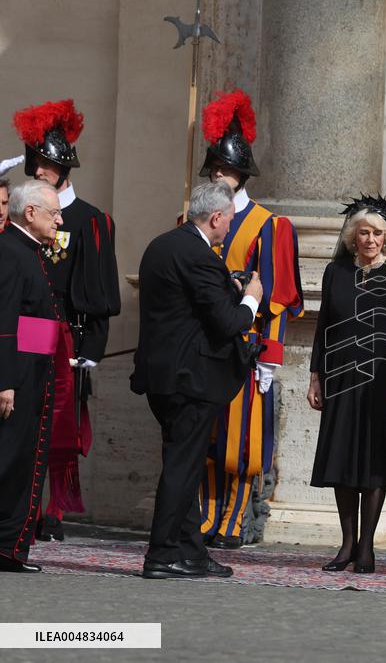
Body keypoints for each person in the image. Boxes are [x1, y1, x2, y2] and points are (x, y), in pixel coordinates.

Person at [131, 181, 263, 580]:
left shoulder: (162, 245)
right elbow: (227, 322)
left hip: (162, 376)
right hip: (189, 379)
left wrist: (227, 289)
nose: (230, 228)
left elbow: (188, 308)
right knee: (181, 467)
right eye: (229, 221)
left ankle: (191, 552)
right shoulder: (199, 255)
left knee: (183, 464)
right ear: (216, 217)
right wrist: (251, 298)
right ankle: (161, 554)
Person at [195, 90, 304, 549]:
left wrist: (270, 357)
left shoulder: (268, 225)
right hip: (203, 345)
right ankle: (205, 516)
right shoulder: (195, 219)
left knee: (242, 442)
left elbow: (275, 297)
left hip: (245, 346)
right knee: (205, 435)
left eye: (226, 169)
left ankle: (235, 518)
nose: (219, 175)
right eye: (215, 168)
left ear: (241, 173)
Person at [12, 99, 121, 542]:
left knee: (61, 423)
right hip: (28, 325)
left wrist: (92, 346)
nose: (40, 171)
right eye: (37, 163)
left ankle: (53, 510)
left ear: (65, 168)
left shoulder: (90, 220)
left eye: (49, 165)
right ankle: (22, 504)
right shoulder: (22, 211)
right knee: (25, 415)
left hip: (65, 331)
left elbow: (98, 289)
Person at [306, 195, 386, 574]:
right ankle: (347, 545)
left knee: (374, 462)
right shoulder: (335, 272)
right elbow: (323, 327)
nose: (370, 239)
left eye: (377, 233)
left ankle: (367, 546)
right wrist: (315, 376)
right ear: (353, 237)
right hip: (339, 377)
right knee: (342, 460)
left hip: (382, 382)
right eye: (364, 233)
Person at [0, 181, 63, 573]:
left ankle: (9, 548)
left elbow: (34, 318)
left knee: (22, 462)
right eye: (54, 213)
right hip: (17, 377)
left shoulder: (31, 251)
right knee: (8, 460)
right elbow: (5, 322)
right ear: (30, 213)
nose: (60, 220)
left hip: (34, 371)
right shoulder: (9, 251)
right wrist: (4, 380)